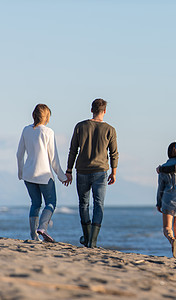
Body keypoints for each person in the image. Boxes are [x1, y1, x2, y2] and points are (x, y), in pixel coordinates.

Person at [65, 98, 119, 248]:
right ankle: (93, 241)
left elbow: (73, 150)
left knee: (83, 204)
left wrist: (69, 170)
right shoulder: (110, 129)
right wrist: (114, 172)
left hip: (82, 170)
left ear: (91, 110)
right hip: (101, 171)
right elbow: (114, 153)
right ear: (105, 111)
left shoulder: (80, 126)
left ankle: (87, 236)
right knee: (98, 204)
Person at [17, 104, 68, 242]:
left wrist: (21, 172)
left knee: (35, 203)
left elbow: (19, 154)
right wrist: (62, 176)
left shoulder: (26, 130)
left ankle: (34, 236)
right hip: (44, 175)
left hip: (28, 174)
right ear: (47, 117)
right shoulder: (48, 132)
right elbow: (54, 159)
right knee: (51, 202)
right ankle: (42, 227)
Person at [156, 142, 176, 259]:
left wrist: (158, 202)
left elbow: (160, 187)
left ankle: (172, 241)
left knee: (167, 227)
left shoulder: (163, 168)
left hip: (167, 199)